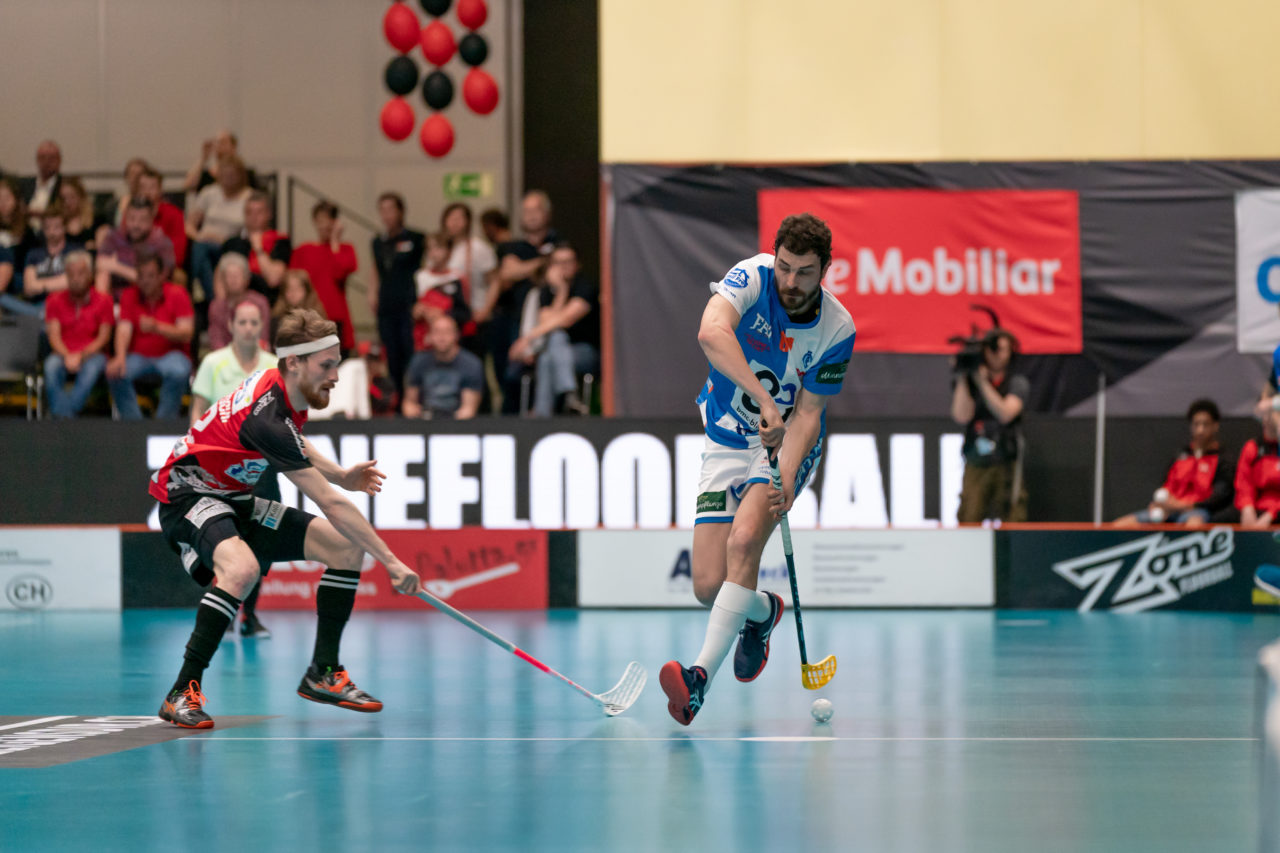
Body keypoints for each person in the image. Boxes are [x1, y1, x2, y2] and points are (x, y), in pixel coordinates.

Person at [149, 308, 423, 728]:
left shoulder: (285, 391)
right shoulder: (268, 417)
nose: (335, 375)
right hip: (187, 495)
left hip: (234, 498)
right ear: (294, 362)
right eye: (326, 365)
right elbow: (330, 504)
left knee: (345, 547)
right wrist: (391, 562)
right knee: (241, 568)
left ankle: (323, 672)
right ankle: (181, 691)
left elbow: (297, 444)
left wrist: (341, 474)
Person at [659, 214, 856, 726]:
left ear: (826, 270)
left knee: (745, 542)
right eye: (785, 267)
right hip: (726, 437)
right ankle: (765, 613)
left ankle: (697, 681)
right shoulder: (750, 277)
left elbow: (809, 413)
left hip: (783, 446)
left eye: (805, 273)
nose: (791, 282)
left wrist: (787, 473)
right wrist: (764, 399)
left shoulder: (838, 328)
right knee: (708, 585)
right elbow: (710, 331)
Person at [190, 297, 279, 638]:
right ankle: (224, 614)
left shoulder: (274, 365)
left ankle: (250, 617)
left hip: (264, 469)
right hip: (221, 470)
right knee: (225, 542)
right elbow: (197, 411)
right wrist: (200, 454)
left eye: (254, 322)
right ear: (230, 326)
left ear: (261, 327)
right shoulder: (213, 363)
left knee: (262, 544)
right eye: (242, 322)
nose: (247, 328)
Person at [1113, 399, 1234, 527]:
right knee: (1119, 526)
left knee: (1193, 525)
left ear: (1215, 426)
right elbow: (1166, 486)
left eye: (1205, 425)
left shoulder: (1223, 459)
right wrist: (1159, 504)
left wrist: (1183, 506)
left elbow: (1219, 497)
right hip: (1169, 510)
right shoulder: (1181, 455)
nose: (1200, 430)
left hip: (1196, 511)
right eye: (1196, 424)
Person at [949, 329, 1029, 523]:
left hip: (1006, 460)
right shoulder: (969, 382)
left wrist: (982, 381)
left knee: (1013, 516)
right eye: (993, 349)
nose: (997, 355)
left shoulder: (1017, 382)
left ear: (1011, 353)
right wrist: (965, 375)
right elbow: (961, 415)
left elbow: (1005, 413)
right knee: (969, 515)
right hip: (976, 459)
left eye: (1003, 350)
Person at [510, 242, 598, 416]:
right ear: (551, 266)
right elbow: (548, 322)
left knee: (553, 345)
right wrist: (562, 291)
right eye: (558, 262)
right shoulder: (547, 291)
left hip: (586, 351)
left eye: (568, 261)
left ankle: (541, 414)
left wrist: (527, 338)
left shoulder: (586, 286)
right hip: (556, 353)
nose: (563, 266)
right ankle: (569, 395)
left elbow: (566, 320)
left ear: (577, 264)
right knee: (550, 350)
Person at [491, 191, 558, 412]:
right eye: (526, 211)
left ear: (547, 213)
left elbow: (562, 270)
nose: (531, 215)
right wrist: (543, 262)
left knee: (546, 367)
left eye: (536, 210)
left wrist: (525, 267)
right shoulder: (511, 246)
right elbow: (508, 272)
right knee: (512, 374)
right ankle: (511, 422)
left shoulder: (558, 242)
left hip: (550, 316)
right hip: (515, 317)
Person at [106, 252, 194, 419]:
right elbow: (123, 330)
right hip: (138, 357)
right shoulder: (129, 294)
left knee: (179, 370)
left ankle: (163, 424)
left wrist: (157, 327)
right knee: (114, 371)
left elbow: (186, 334)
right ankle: (135, 426)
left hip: (171, 356)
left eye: (150, 276)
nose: (145, 281)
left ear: (162, 275)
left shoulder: (178, 294)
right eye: (141, 276)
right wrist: (120, 357)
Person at [43, 251, 113, 418]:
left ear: (90, 275)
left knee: (91, 368)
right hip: (62, 352)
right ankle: (66, 418)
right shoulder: (54, 300)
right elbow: (54, 335)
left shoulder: (104, 300)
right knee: (50, 366)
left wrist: (81, 355)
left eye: (80, 273)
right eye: (71, 274)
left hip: (93, 354)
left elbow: (104, 338)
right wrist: (68, 356)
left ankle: (64, 417)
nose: (75, 278)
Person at [370, 192, 425, 401]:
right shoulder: (377, 242)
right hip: (387, 308)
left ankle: (414, 401)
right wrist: (372, 293)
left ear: (400, 211)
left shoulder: (416, 239)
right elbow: (377, 270)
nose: (387, 215)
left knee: (411, 357)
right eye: (382, 210)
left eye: (391, 209)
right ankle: (398, 404)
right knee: (391, 359)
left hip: (408, 306)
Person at [289, 201, 357, 350]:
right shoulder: (303, 250)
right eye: (320, 220)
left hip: (335, 317)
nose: (324, 225)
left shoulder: (345, 249)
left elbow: (339, 273)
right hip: (310, 317)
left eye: (328, 220)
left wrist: (334, 241)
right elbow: (292, 282)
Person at [187, 155, 251, 301]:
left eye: (232, 174)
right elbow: (189, 225)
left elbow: (250, 230)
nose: (228, 178)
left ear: (240, 175)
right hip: (204, 241)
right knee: (200, 248)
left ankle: (206, 295)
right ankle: (214, 298)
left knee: (200, 250)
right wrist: (199, 236)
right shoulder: (209, 193)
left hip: (231, 245)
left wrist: (223, 240)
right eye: (224, 174)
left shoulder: (248, 196)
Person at [403, 314, 483, 420]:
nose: (442, 337)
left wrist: (444, 422)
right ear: (429, 336)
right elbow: (409, 404)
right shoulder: (418, 362)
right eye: (437, 332)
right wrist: (418, 415)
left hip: (458, 426)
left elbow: (469, 410)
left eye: (447, 332)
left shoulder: (471, 364)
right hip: (424, 422)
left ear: (456, 335)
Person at [96, 198, 176, 297]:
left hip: (149, 299)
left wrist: (117, 267)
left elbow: (158, 281)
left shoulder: (161, 242)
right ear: (125, 218)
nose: (136, 225)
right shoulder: (113, 237)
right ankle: (101, 310)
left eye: (142, 219)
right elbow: (101, 263)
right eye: (132, 218)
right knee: (102, 275)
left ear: (152, 219)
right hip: (117, 298)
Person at [14, 202, 79, 318]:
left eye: (56, 227)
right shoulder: (34, 254)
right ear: (43, 229)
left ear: (65, 227)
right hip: (36, 307)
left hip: (66, 305)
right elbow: (29, 288)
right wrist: (59, 282)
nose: (52, 232)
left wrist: (40, 285)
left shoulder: (75, 251)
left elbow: (73, 282)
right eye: (47, 227)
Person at [413, 232, 474, 353]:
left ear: (449, 252)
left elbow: (465, 314)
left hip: (449, 342)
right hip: (423, 340)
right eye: (430, 248)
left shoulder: (457, 278)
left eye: (438, 248)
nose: (434, 253)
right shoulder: (419, 277)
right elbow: (410, 307)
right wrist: (416, 311)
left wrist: (444, 313)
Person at [221, 191, 290, 297]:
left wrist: (258, 248)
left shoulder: (280, 241)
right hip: (236, 304)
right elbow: (220, 278)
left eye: (259, 212)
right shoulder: (232, 243)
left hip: (269, 303)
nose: (254, 217)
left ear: (269, 214)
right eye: (249, 212)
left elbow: (273, 279)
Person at [441, 202, 497, 321]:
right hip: (446, 314)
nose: (454, 223)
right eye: (451, 218)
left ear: (468, 222)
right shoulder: (440, 248)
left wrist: (486, 310)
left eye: (459, 218)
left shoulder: (478, 247)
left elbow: (494, 281)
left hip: (474, 312)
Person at [207, 253, 271, 351]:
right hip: (225, 361)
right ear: (223, 280)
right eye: (229, 275)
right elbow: (216, 341)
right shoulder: (216, 306)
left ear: (247, 278)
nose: (233, 279)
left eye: (237, 275)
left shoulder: (260, 303)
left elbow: (263, 339)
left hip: (256, 358)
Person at [1234, 398, 1280, 530]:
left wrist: (1272, 514)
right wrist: (1247, 508)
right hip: (1257, 509)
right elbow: (1244, 483)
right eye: (1269, 413)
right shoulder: (1253, 447)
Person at [136, 168, 188, 269]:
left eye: (152, 187)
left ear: (160, 190)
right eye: (143, 187)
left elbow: (178, 255)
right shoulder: (131, 214)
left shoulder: (174, 214)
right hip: (135, 267)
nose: (147, 192)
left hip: (165, 268)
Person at [182, 130, 258, 193]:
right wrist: (203, 158)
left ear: (233, 147)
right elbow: (187, 186)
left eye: (223, 142)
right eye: (217, 143)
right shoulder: (207, 175)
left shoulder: (245, 173)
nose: (219, 146)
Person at [271, 268, 326, 343]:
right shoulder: (277, 318)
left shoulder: (317, 318)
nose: (293, 293)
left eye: (297, 288)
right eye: (289, 288)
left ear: (307, 290)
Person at [20, 140, 62, 224]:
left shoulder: (64, 185)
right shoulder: (25, 184)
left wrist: (42, 214)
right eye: (43, 157)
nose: (47, 162)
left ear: (59, 160)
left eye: (51, 158)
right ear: (37, 160)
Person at [58, 177, 100, 250]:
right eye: (63, 198)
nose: (67, 202)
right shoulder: (57, 223)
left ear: (81, 196)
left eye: (71, 197)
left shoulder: (97, 220)